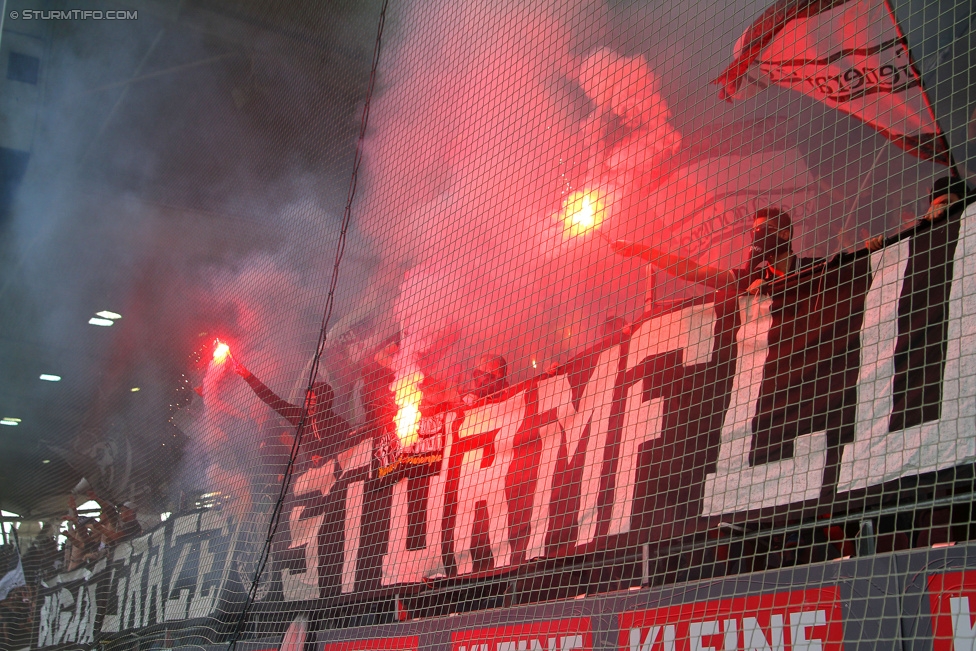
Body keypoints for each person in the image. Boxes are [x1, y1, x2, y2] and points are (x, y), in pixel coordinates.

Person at [613, 208, 812, 296]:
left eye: (764, 230)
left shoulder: (814, 267)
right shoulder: (750, 278)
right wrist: (639, 250)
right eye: (754, 232)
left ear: (784, 235)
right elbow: (692, 271)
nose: (757, 236)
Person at [233, 357, 348, 465]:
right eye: (306, 400)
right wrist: (248, 376)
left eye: (312, 400)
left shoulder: (339, 424)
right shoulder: (300, 417)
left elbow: (348, 448)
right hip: (312, 476)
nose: (307, 403)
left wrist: (326, 458)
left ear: (323, 402)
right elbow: (273, 400)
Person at [866, 175, 973, 251]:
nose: (938, 209)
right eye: (934, 206)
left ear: (963, 198)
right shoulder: (930, 239)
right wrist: (878, 247)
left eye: (945, 203)